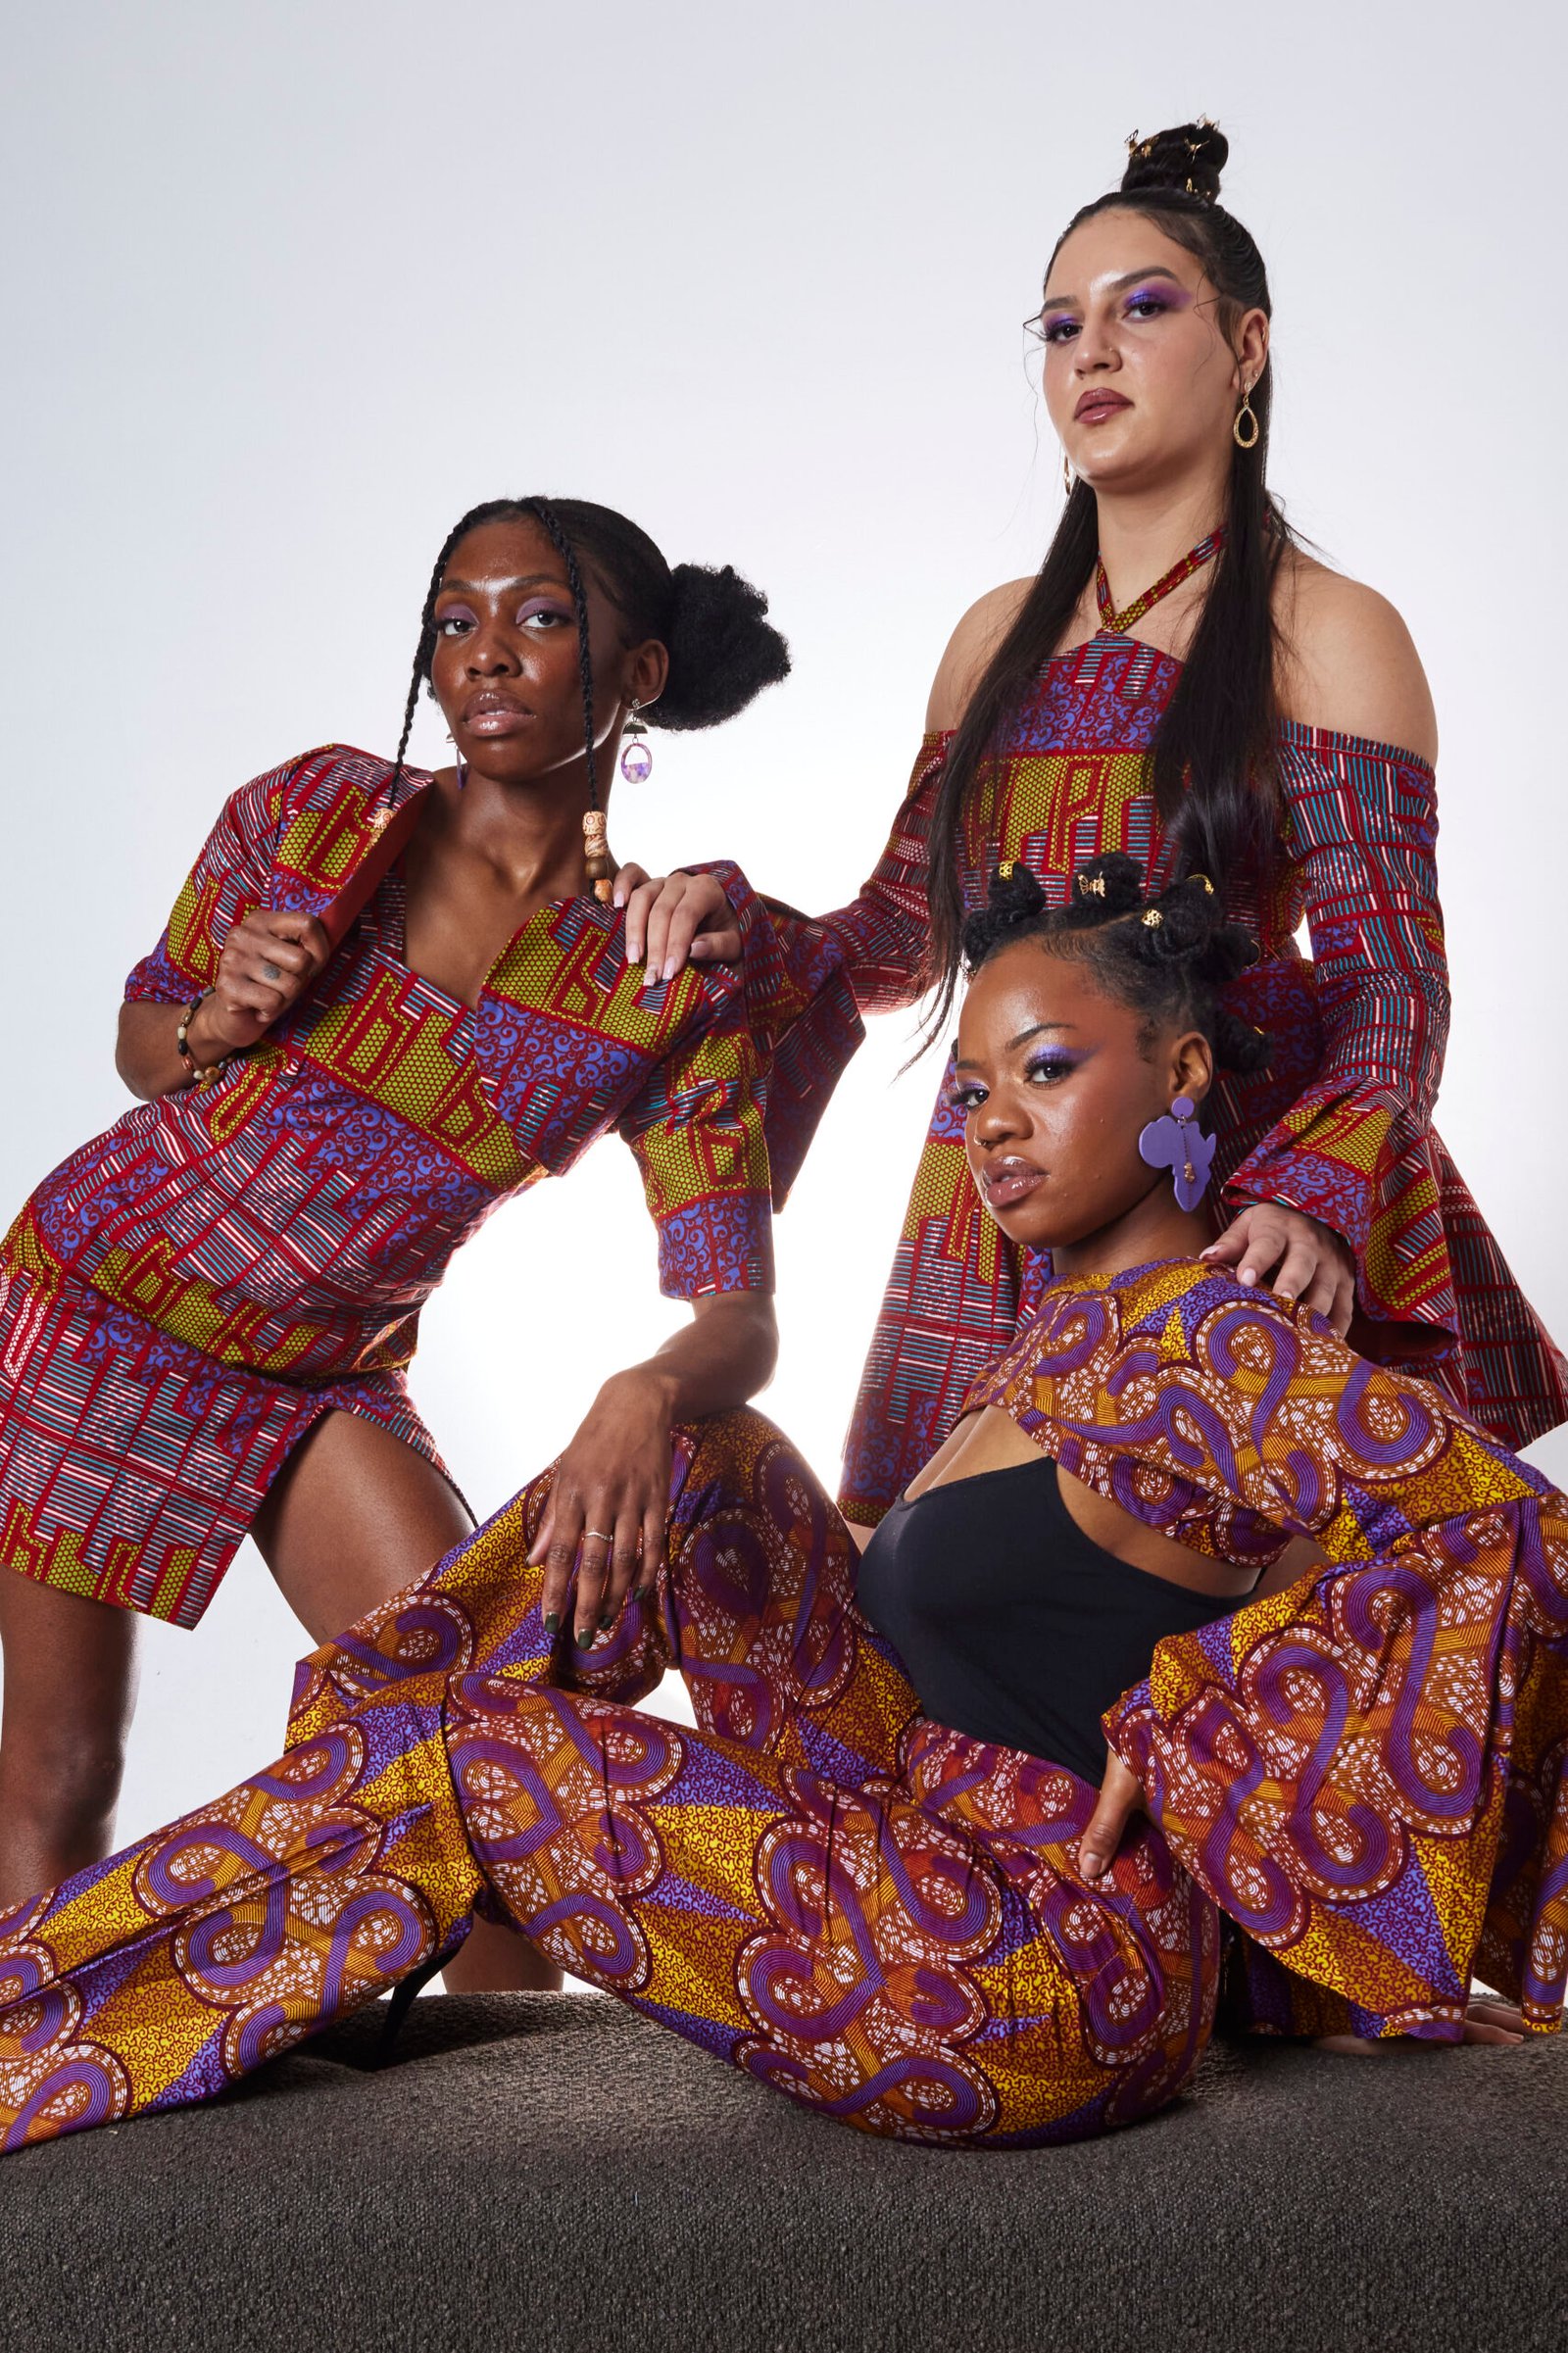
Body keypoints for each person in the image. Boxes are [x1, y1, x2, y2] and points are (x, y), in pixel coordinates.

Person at [3, 855, 1554, 2159]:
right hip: (908, 1822)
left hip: (1039, 1964)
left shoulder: (1212, 1334)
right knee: (710, 1456)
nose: (993, 1123)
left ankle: (62, 2010)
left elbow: (1511, 1538)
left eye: (1048, 1069)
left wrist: (1213, 1734)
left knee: (474, 1751)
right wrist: (647, 1396)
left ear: (1183, 1073)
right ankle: (333, 1810)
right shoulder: (1050, 1340)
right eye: (972, 1089)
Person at [620, 119, 1566, 1528]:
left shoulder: (1326, 630)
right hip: (1000, 1169)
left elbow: (1391, 982)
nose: (1091, 354)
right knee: (925, 1596)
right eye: (1062, 326)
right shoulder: (994, 635)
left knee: (1230, 1612)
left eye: (1144, 309)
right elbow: (903, 936)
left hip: (1220, 1180)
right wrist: (738, 923)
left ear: (1248, 348)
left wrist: (1311, 1199)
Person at [0, 494, 854, 1992]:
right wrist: (216, 1017)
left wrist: (646, 1388)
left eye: (539, 616)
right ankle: (36, 2112)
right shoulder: (314, 809)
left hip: (323, 1365)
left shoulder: (659, 970)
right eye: (455, 620)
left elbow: (742, 1311)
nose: (485, 654)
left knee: (482, 1755)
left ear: (640, 671)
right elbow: (146, 1039)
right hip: (98, 1306)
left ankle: (501, 2143)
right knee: (63, 1773)